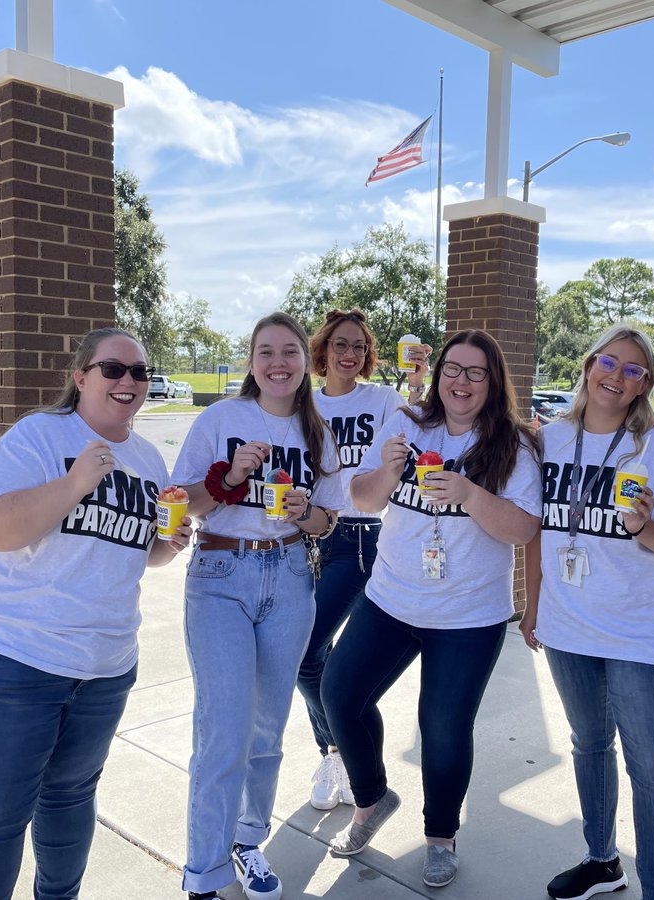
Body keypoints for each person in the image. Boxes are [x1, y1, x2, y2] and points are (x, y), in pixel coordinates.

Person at [0, 326, 192, 900]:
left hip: (103, 668)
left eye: (140, 372)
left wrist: (165, 547)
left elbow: (130, 550)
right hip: (10, 660)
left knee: (71, 802)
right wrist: (76, 481)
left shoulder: (148, 459)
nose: (128, 381)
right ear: (81, 376)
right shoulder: (39, 435)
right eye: (113, 369)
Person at [321, 329, 541, 889]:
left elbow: (522, 529)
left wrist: (468, 493)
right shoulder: (407, 424)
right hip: (390, 599)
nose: (460, 382)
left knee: (442, 730)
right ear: (437, 374)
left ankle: (440, 837)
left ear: (493, 383)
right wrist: (388, 469)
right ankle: (371, 799)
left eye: (474, 372)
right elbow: (364, 500)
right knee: (340, 693)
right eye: (452, 370)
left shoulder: (512, 445)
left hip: (468, 618)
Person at [170, 311, 343, 900]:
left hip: (291, 575)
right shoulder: (221, 419)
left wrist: (303, 512)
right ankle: (204, 873)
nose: (278, 363)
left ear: (304, 362)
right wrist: (230, 477)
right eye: (265, 352)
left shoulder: (317, 431)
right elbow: (184, 502)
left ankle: (247, 842)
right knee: (222, 730)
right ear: (251, 362)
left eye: (289, 352)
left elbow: (329, 520)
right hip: (220, 574)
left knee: (267, 726)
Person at [520, 325, 654, 900]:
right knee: (589, 743)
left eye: (634, 369)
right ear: (589, 363)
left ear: (647, 384)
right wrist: (533, 603)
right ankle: (602, 861)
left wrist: (645, 526)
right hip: (568, 625)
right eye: (609, 362)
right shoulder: (553, 438)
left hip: (638, 630)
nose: (617, 377)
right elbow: (539, 531)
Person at [295, 309, 429, 810]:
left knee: (307, 651)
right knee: (309, 653)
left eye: (358, 347)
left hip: (364, 537)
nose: (349, 355)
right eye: (340, 345)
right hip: (309, 536)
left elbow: (420, 426)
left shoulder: (383, 400)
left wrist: (417, 385)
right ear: (323, 351)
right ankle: (339, 752)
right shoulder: (302, 405)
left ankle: (341, 751)